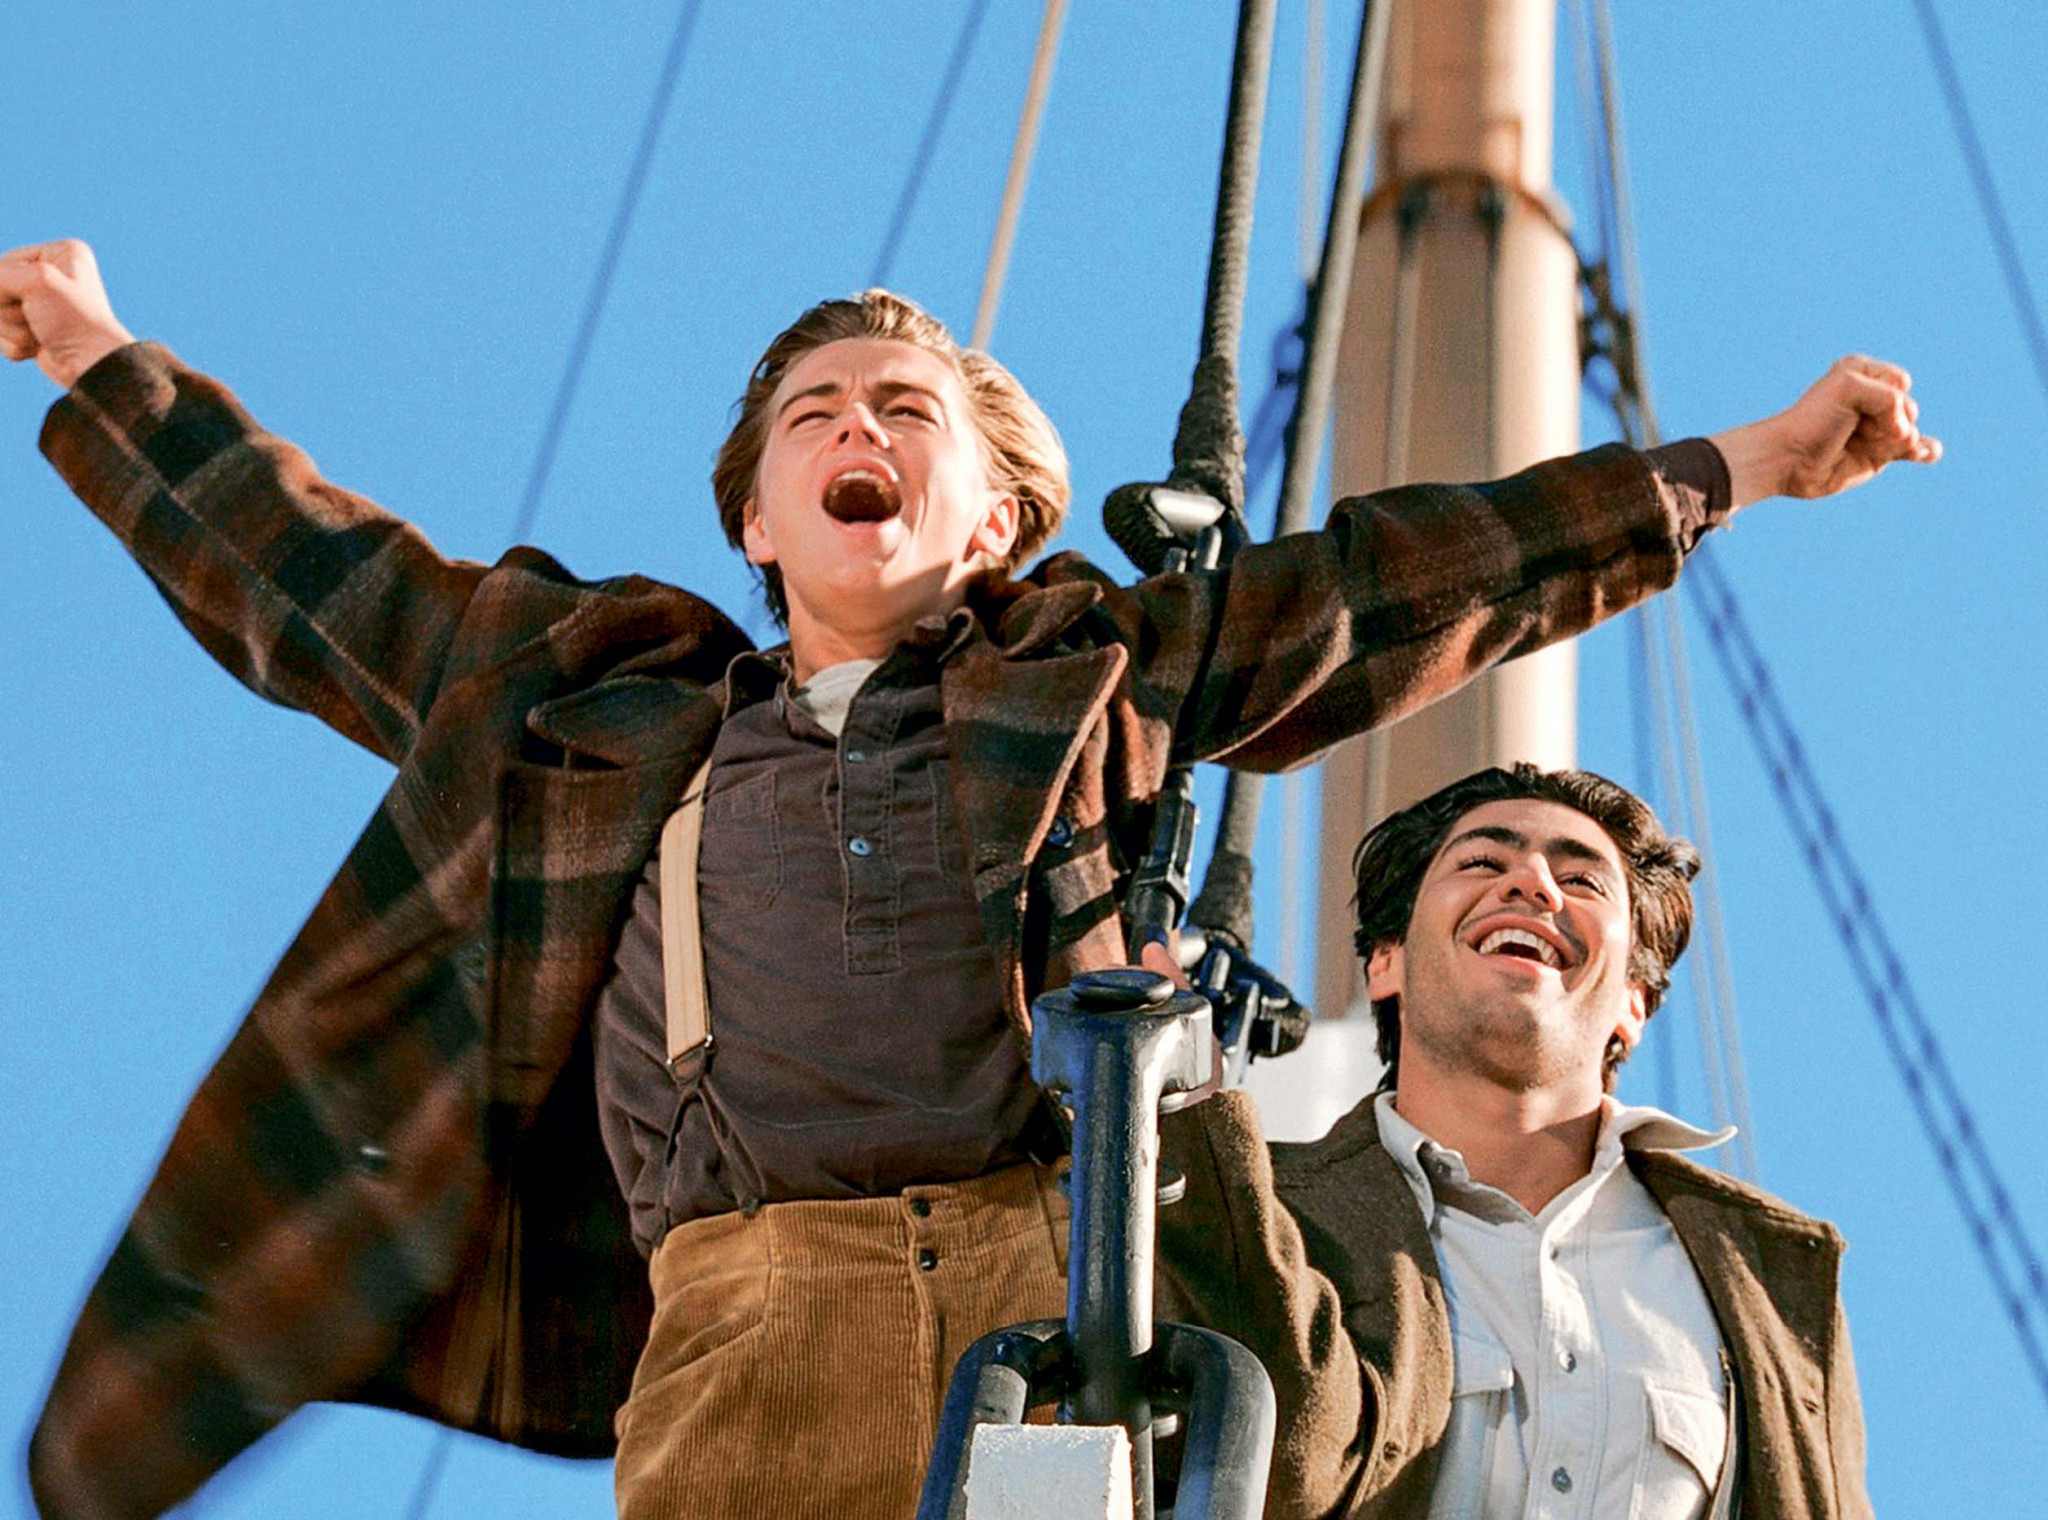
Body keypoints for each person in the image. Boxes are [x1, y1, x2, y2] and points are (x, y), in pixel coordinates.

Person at [0, 237, 1928, 1518]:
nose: (856, 429)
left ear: (996, 516)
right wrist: (94, 356)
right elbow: (312, 577)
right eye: (813, 419)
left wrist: (1742, 462)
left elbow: (1396, 584)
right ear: (756, 518)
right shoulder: (590, 706)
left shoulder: (1089, 675)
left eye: (902, 412)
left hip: (1055, 1294)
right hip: (750, 1325)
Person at [1157, 765, 1874, 1519]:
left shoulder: (1768, 1281)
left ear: (1634, 1002)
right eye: (1481, 862)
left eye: (1582, 880)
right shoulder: (1246, 1203)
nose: (1532, 883)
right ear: (1385, 961)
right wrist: (1184, 1109)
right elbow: (1273, 1462)